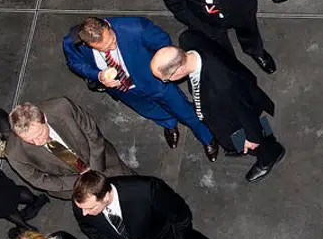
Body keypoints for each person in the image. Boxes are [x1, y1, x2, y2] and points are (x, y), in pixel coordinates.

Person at [63, 16, 217, 155]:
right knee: (149, 110)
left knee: (184, 110)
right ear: (87, 44)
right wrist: (98, 75)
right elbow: (75, 63)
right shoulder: (71, 43)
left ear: (108, 25)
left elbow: (163, 44)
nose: (111, 48)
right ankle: (168, 123)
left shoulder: (136, 27)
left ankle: (207, 138)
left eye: (113, 42)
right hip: (124, 90)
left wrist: (156, 68)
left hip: (154, 82)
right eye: (103, 49)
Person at [150, 36, 286, 184]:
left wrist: (253, 137)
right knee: (232, 138)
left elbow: (244, 110)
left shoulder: (222, 84)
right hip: (218, 107)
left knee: (253, 137)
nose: (166, 81)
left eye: (166, 78)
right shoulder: (189, 41)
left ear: (179, 69)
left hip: (232, 116)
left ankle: (269, 154)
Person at [72, 170, 216, 239]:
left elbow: (182, 216)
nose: (84, 213)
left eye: (90, 208)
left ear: (106, 195)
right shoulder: (82, 203)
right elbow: (87, 227)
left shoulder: (147, 190)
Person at [5, 98, 134, 200]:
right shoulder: (14, 153)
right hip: (71, 185)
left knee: (130, 184)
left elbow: (92, 134)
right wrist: (83, 183)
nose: (37, 142)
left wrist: (94, 171)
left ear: (44, 118)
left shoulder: (63, 108)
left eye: (39, 134)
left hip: (101, 159)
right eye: (29, 140)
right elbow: (39, 180)